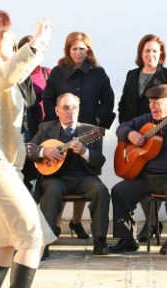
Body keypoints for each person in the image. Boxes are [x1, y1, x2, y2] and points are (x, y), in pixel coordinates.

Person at [0, 11, 56, 288]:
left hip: (1, 165)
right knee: (33, 237)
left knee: (4, 244)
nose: (15, 38)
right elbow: (5, 76)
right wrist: (37, 43)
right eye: (9, 33)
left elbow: (12, 75)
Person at [110, 84, 167, 255]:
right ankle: (128, 239)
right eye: (150, 102)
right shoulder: (145, 120)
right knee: (119, 191)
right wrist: (129, 134)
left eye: (156, 102)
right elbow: (122, 127)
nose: (152, 106)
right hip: (148, 177)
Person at [43, 31, 115, 239]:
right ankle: (54, 225)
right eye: (74, 48)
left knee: (86, 172)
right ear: (68, 50)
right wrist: (54, 123)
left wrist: (98, 122)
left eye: (82, 48)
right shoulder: (58, 72)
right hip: (60, 132)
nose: (78, 52)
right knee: (58, 172)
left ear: (88, 50)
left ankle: (76, 221)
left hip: (86, 133)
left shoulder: (98, 73)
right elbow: (48, 99)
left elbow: (108, 100)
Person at [117, 33, 167, 243]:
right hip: (136, 136)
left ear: (161, 54)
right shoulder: (132, 75)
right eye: (147, 51)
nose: (151, 55)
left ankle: (153, 222)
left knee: (152, 175)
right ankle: (152, 220)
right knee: (135, 177)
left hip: (160, 136)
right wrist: (128, 133)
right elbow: (123, 104)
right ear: (141, 53)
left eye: (155, 51)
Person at [27, 92, 110, 257]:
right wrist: (44, 151)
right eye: (65, 108)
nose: (69, 112)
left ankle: (100, 241)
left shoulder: (91, 131)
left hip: (83, 178)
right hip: (55, 179)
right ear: (57, 111)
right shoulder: (46, 128)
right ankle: (44, 244)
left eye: (74, 108)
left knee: (101, 191)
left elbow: (99, 160)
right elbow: (27, 148)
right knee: (51, 192)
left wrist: (84, 151)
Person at [17, 35, 51, 191]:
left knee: (46, 169)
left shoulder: (48, 73)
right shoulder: (17, 75)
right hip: (27, 130)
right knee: (30, 171)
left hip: (47, 129)